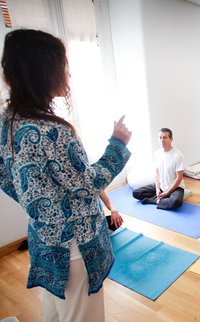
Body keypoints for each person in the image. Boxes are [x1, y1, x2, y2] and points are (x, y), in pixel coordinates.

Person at [0, 29, 132, 321]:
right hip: (75, 247)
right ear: (43, 71)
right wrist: (117, 144)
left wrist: (43, 207)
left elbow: (7, 179)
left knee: (56, 314)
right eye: (63, 67)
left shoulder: (6, 122)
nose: (68, 75)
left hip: (44, 241)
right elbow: (88, 185)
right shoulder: (54, 131)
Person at [132, 128, 185, 209]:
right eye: (160, 138)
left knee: (176, 202)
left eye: (165, 137)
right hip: (161, 186)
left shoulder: (177, 155)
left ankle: (155, 200)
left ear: (171, 139)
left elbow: (179, 178)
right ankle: (161, 198)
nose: (162, 140)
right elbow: (156, 173)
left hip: (175, 187)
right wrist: (157, 189)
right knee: (136, 193)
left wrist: (167, 192)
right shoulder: (157, 153)